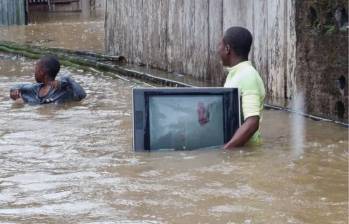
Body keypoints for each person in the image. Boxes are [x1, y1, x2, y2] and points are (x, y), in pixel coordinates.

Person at [218, 26, 266, 149]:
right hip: (238, 148)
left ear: (227, 48)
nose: (218, 50)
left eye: (220, 45)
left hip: (247, 152)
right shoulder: (235, 74)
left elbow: (252, 122)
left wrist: (226, 150)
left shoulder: (247, 75)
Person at [10, 55, 86, 105]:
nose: (34, 72)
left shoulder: (63, 89)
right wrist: (14, 91)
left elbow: (82, 95)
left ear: (42, 72)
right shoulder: (35, 88)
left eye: (36, 68)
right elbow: (17, 86)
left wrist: (66, 79)